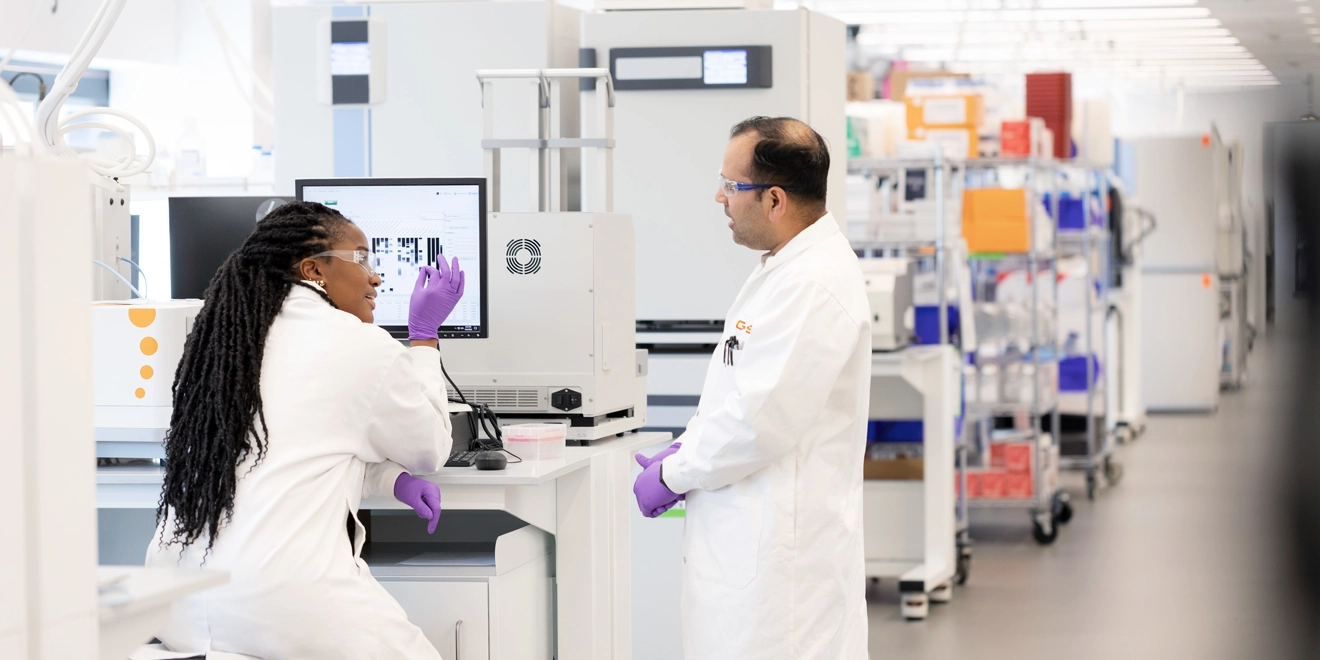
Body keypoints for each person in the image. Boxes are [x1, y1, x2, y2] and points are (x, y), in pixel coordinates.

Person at [146, 201, 465, 659]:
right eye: (363, 258)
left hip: (177, 605)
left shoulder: (225, 340)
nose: (375, 277)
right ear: (314, 269)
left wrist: (388, 478)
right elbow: (430, 447)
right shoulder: (358, 343)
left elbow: (288, 447)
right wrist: (424, 337)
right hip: (282, 603)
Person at [633, 117, 872, 659]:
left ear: (774, 201)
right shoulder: (785, 268)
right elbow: (744, 390)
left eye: (732, 186)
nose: (719, 197)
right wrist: (689, 444)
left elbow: (759, 422)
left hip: (781, 572)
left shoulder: (812, 284)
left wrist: (674, 472)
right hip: (752, 548)